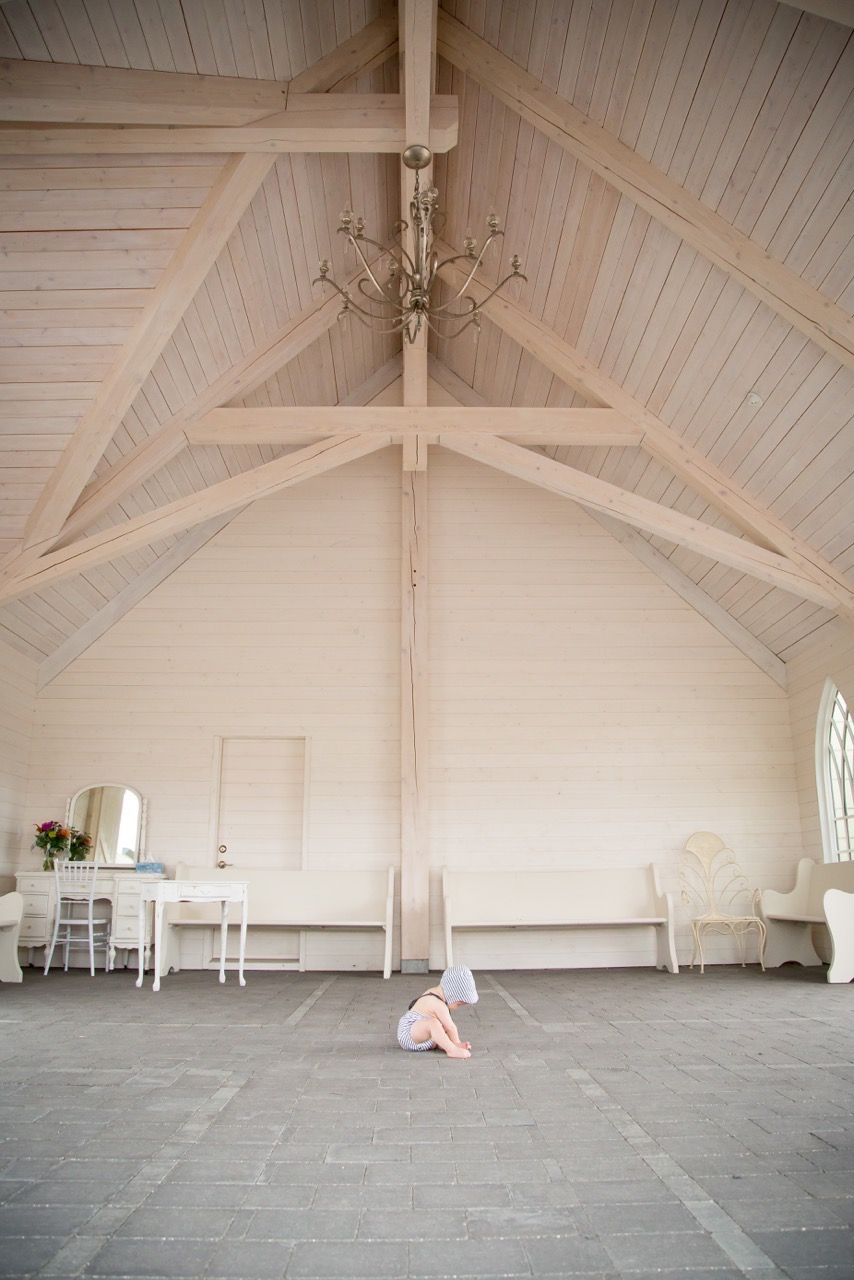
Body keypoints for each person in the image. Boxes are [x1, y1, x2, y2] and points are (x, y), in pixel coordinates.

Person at [397, 965, 479, 1058]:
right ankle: (451, 1050)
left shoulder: (433, 992)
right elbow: (451, 1028)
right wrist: (457, 1044)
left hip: (423, 1037)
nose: (456, 1008)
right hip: (408, 1034)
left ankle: (444, 1045)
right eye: (458, 1004)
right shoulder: (438, 1004)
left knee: (439, 1025)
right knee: (434, 1023)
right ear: (452, 994)